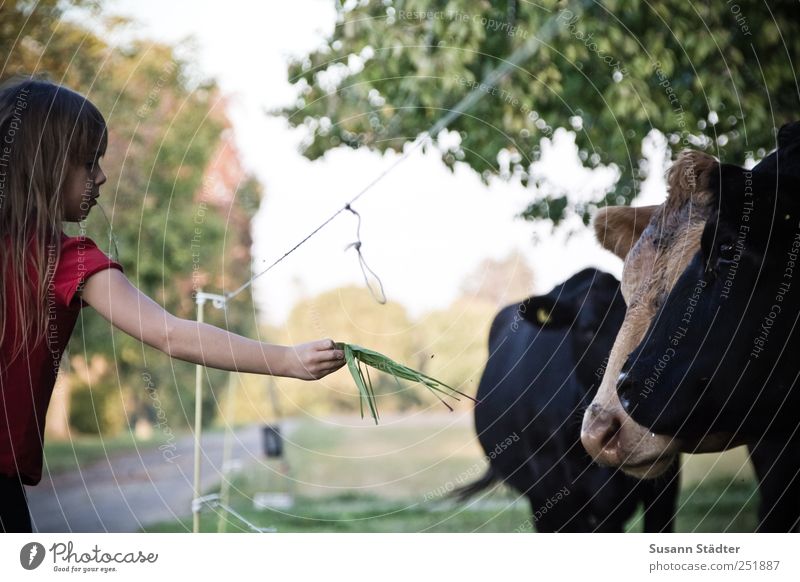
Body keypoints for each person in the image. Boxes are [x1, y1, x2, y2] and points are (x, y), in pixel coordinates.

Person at [0, 78, 345, 533]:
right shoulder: (66, 259)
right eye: (89, 163)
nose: (102, 176)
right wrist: (288, 360)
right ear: (44, 166)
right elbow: (170, 333)